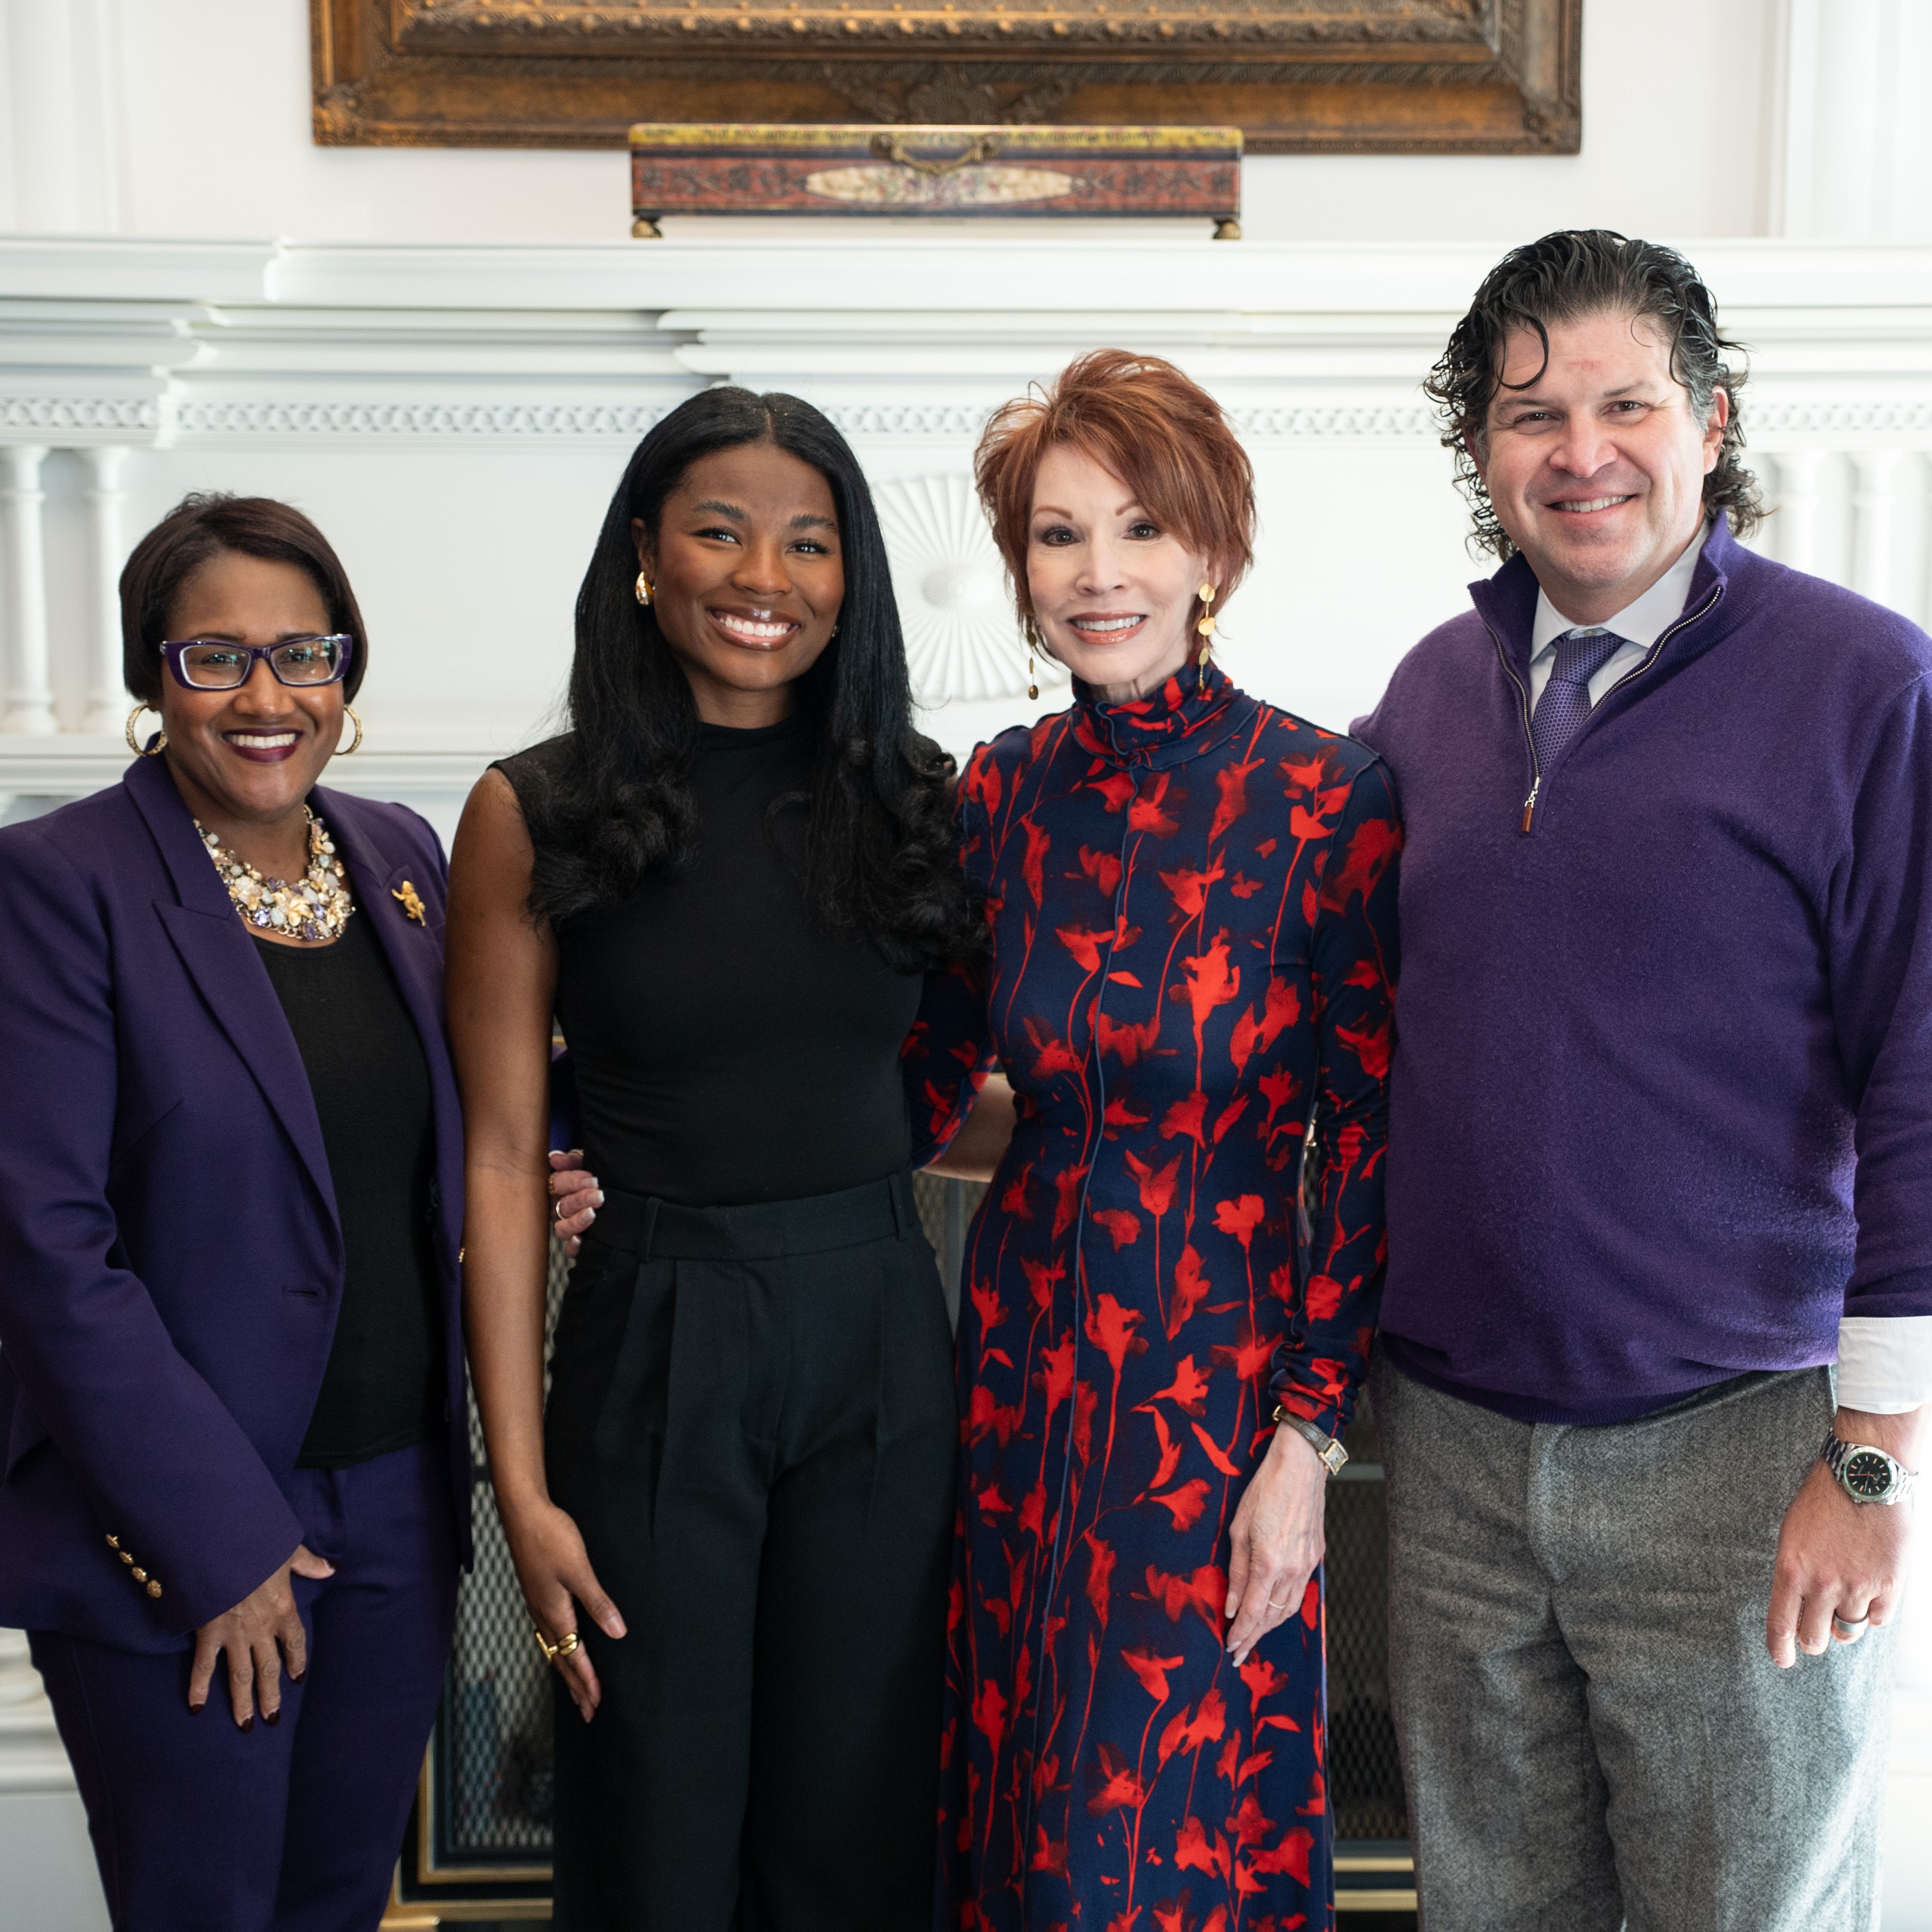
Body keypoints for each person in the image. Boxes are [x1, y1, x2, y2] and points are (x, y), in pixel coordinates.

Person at [1353, 230, 1932, 1931]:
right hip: (1450, 1452)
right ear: (1480, 451)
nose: (1577, 449)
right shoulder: (1426, 695)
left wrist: (1872, 1456)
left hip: (1737, 1453)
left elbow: (1919, 1076)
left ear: (1708, 419)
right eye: (1528, 411)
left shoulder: (1863, 684)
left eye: (1624, 401)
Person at [0, 493, 579, 1931]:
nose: (266, 696)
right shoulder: (59, 886)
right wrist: (220, 1540)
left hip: (395, 1500)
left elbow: (441, 1104)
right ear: (154, 679)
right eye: (215, 657)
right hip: (187, 1526)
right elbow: (48, 1246)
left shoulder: (399, 855)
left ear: (346, 671)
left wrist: (551, 1157)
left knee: (336, 1903)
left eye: (303, 653)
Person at [448, 386, 984, 1931]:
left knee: (859, 1819)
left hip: (881, 1330)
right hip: (653, 1334)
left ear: (851, 576)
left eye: (810, 542)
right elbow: (496, 1155)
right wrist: (520, 1487)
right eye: (721, 531)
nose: (767, 575)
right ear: (642, 555)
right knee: (655, 1820)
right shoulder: (528, 810)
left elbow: (953, 1091)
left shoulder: (915, 802)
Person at [904, 348, 1401, 1929]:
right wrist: (635, 1144)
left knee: (1150, 1837)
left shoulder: (1327, 797)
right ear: (1018, 570)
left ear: (1212, 552)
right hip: (1018, 1373)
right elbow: (914, 1080)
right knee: (1021, 1815)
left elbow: (1373, 1138)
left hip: (1218, 1395)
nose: (1098, 573)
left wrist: (1306, 1444)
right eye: (1057, 536)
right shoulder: (994, 795)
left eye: (1138, 528)